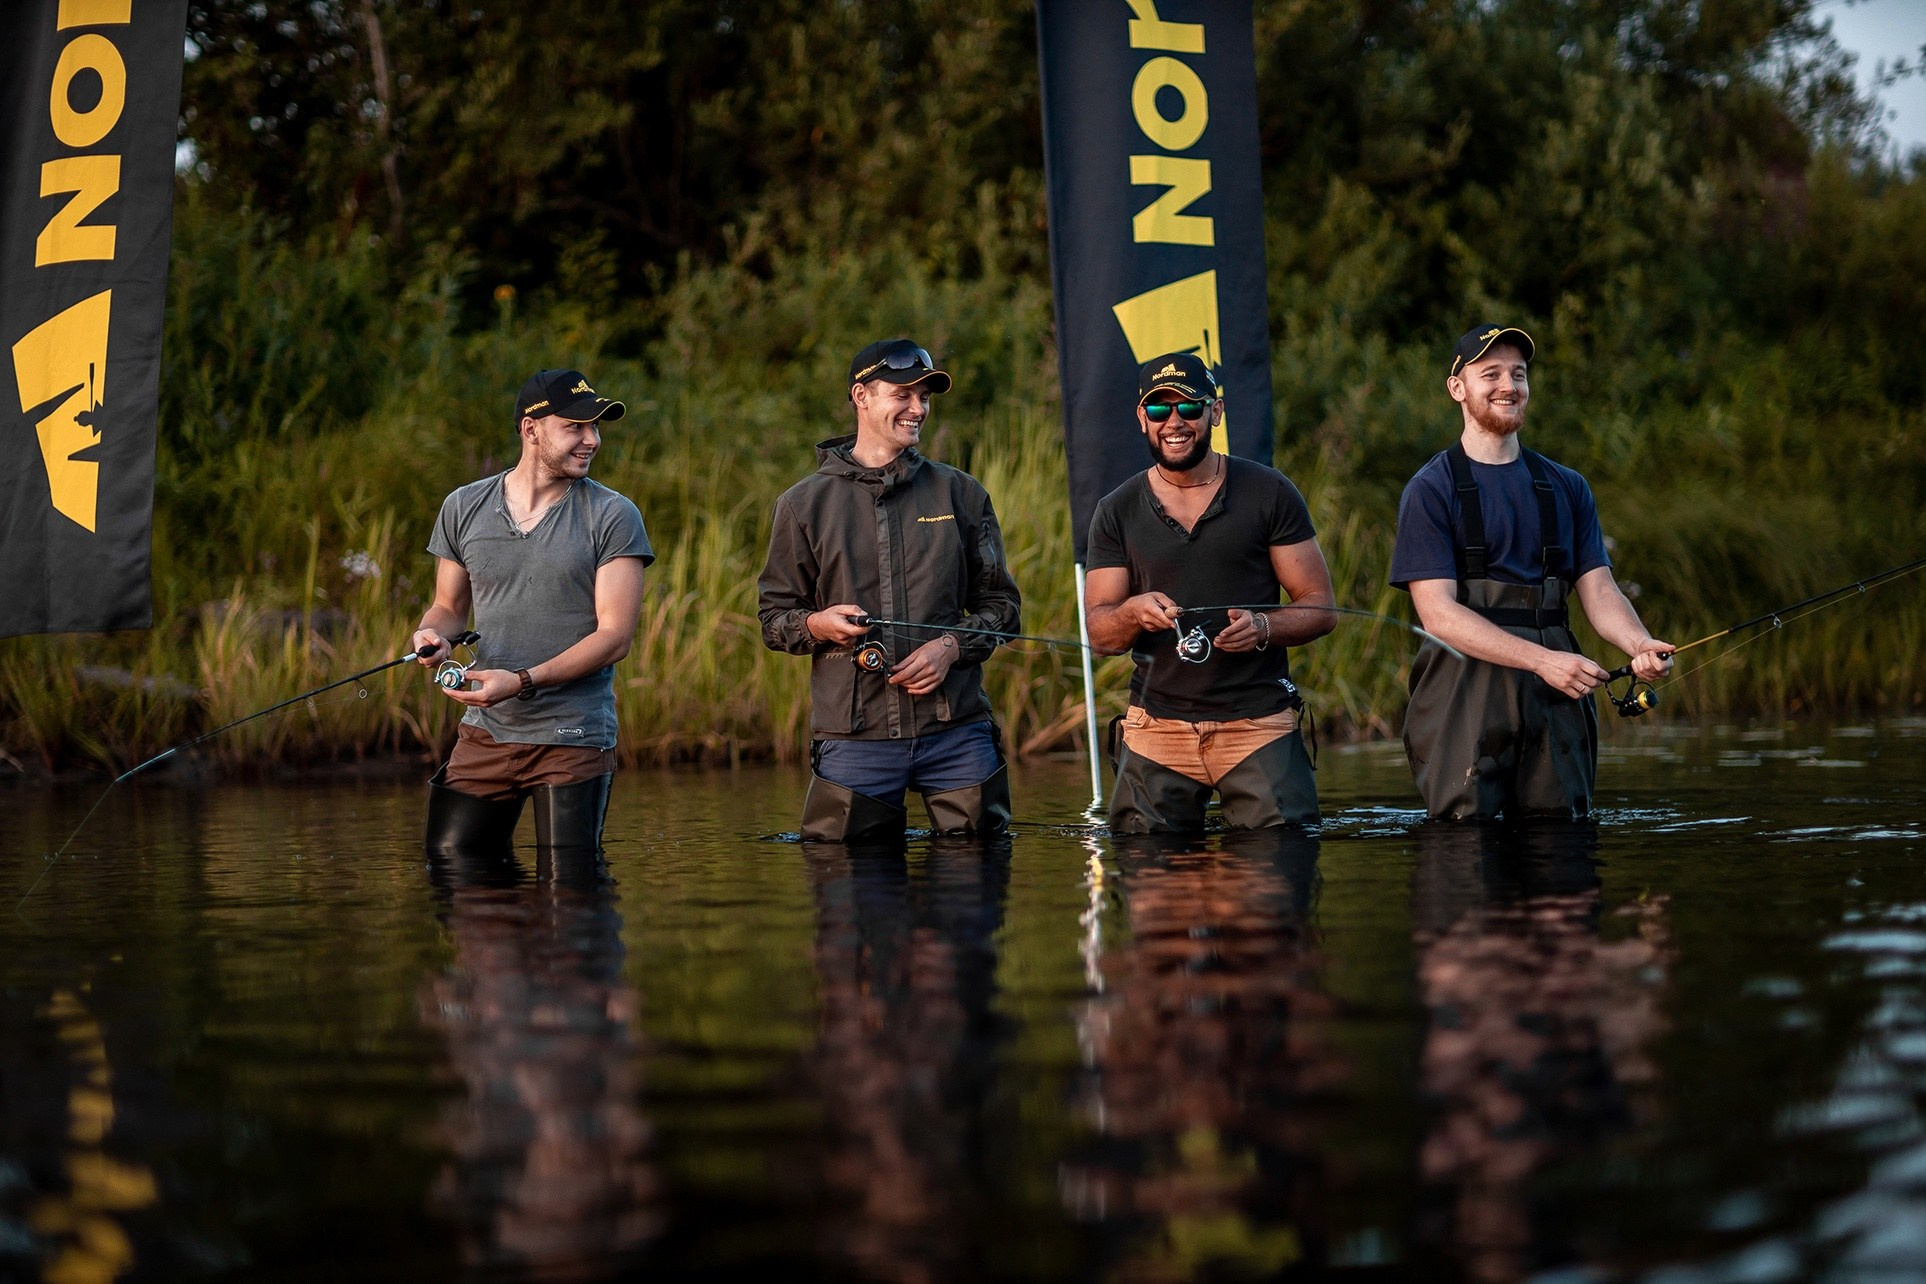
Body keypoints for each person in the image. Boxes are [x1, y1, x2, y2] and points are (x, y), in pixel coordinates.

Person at [1389, 324, 1672, 820]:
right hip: (1465, 688)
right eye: (1491, 374)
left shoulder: (1568, 486)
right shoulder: (1430, 489)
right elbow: (1438, 615)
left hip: (1557, 691)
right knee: (1465, 843)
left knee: (1563, 841)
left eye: (1518, 374)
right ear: (1457, 388)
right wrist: (1542, 661)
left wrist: (1639, 644)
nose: (1508, 385)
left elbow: (1600, 591)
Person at [757, 338, 1021, 842]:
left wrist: (951, 647)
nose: (918, 409)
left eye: (924, 397)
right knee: (847, 880)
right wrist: (817, 624)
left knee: (979, 869)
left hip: (958, 731)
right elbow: (774, 622)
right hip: (855, 738)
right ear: (861, 396)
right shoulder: (801, 504)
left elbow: (1003, 607)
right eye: (903, 395)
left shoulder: (962, 493)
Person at [1084, 352, 1337, 833]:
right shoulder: (1115, 510)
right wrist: (1132, 613)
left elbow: (1321, 607)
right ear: (1142, 418)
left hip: (1259, 723)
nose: (1174, 422)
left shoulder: (1270, 492)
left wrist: (1263, 627)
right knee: (1146, 866)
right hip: (1155, 728)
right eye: (1159, 409)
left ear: (1215, 412)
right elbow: (1100, 635)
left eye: (1189, 407)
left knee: (1279, 865)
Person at [413, 368, 653, 852]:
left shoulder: (613, 515)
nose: (592, 440)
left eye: (595, 427)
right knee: (453, 872)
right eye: (575, 427)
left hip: (573, 736)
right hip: (484, 735)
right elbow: (447, 608)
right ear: (531, 428)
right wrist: (431, 636)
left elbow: (614, 638)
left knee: (570, 890)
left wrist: (522, 680)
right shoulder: (463, 506)